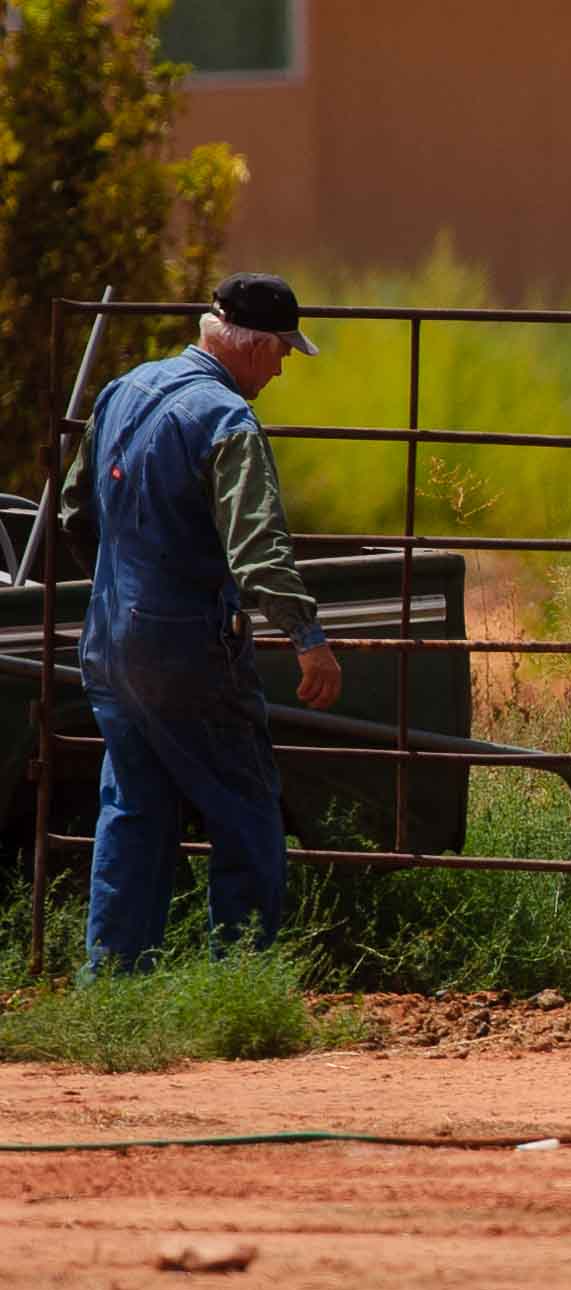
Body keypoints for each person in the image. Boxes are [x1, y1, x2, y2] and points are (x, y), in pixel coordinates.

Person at [59, 271, 343, 973]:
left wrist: (123, 589)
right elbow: (258, 553)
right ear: (248, 345)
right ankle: (240, 979)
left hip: (108, 643)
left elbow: (74, 512)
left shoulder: (123, 391)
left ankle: (116, 984)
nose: (280, 366)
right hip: (186, 646)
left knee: (133, 811)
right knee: (245, 809)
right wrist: (309, 640)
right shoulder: (227, 422)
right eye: (280, 350)